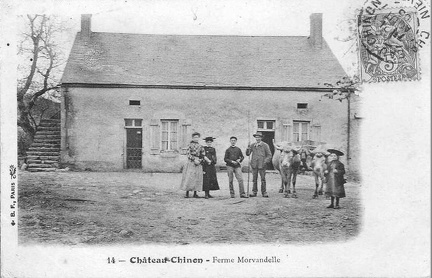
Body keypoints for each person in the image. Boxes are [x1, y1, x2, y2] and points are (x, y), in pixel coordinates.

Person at [180, 132, 210, 198]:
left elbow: (203, 154)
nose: (196, 139)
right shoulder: (189, 145)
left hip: (198, 162)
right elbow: (188, 154)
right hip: (191, 162)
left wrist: (200, 160)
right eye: (195, 137)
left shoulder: (201, 146)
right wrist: (194, 160)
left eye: (197, 137)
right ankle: (187, 193)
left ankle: (195, 193)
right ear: (192, 138)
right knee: (189, 176)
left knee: (197, 177)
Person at [246, 132, 272, 197]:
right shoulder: (252, 145)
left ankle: (264, 192)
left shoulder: (265, 145)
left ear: (261, 138)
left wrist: (265, 162)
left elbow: (269, 155)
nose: (257, 138)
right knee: (254, 179)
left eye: (259, 137)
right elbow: (248, 154)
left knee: (263, 179)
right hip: (254, 164)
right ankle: (254, 192)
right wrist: (248, 148)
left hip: (262, 165)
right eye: (256, 137)